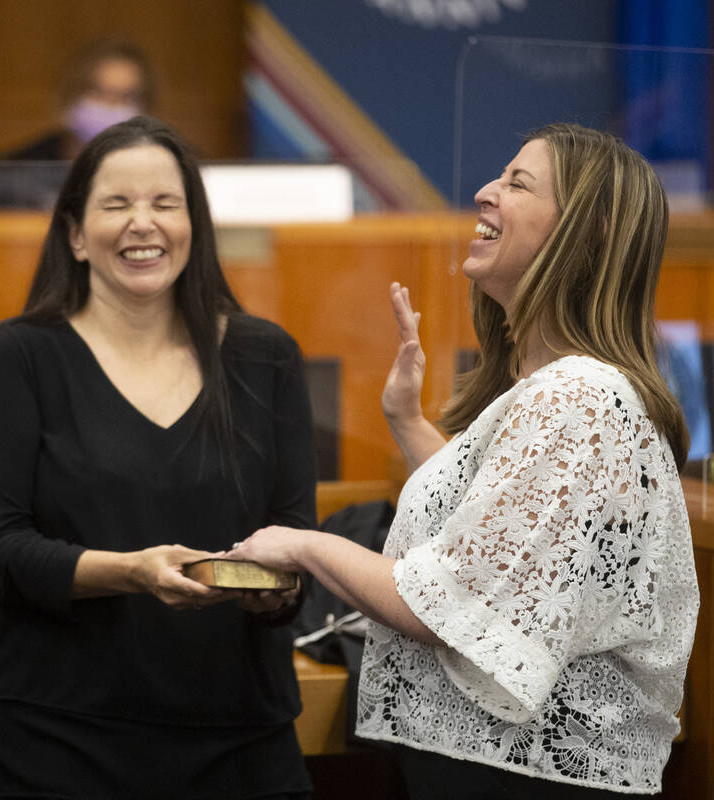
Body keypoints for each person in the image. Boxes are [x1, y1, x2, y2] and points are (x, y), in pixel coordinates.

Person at [228, 123, 700, 797]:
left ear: (588, 231)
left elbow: (444, 603)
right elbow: (504, 536)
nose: (484, 193)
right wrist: (407, 422)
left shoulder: (578, 394)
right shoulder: (569, 389)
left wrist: (302, 546)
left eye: (516, 183)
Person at [0, 115, 319, 798]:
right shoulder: (19, 358)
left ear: (195, 228)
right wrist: (131, 572)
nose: (142, 223)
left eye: (164, 204)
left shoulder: (266, 357)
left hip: (238, 738)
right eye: (116, 204)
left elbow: (298, 543)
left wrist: (276, 589)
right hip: (52, 739)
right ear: (76, 235)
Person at [0, 36, 155, 162]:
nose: (110, 104)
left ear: (145, 105)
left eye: (126, 96)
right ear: (69, 95)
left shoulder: (166, 168)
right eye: (97, 92)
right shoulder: (21, 168)